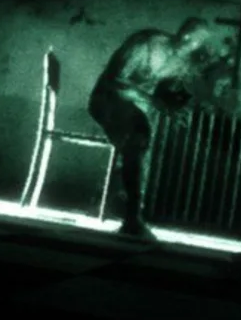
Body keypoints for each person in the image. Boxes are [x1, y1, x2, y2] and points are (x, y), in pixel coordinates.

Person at [88, 17, 213, 237]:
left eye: (199, 41)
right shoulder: (147, 43)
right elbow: (115, 81)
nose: (194, 43)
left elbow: (164, 95)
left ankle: (126, 209)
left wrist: (176, 107)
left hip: (134, 109)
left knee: (140, 143)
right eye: (194, 37)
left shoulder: (182, 64)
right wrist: (153, 101)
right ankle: (131, 216)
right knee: (138, 135)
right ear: (184, 33)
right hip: (106, 100)